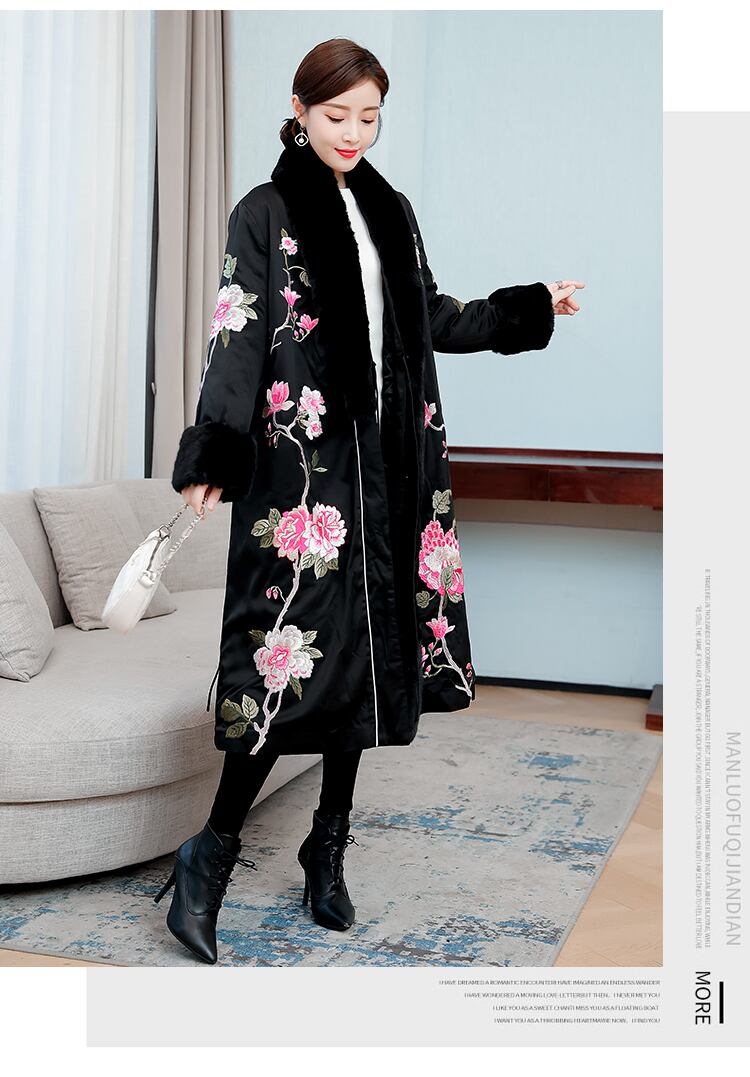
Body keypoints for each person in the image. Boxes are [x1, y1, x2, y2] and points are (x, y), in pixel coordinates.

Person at [155, 37, 584, 965]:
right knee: (285, 665)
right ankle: (209, 854)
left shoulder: (391, 211)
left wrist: (528, 306)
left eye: (369, 116)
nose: (353, 132)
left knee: (366, 660)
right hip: (306, 474)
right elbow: (237, 333)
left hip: (391, 464)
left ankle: (328, 845)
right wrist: (214, 449)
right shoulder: (263, 212)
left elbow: (431, 318)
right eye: (336, 114)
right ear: (300, 111)